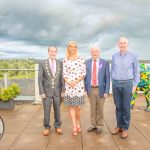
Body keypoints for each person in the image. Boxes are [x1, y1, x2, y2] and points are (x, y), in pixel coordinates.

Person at [111, 37, 140, 138]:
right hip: (116, 84)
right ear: (118, 44)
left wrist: (135, 85)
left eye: (124, 43)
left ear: (127, 44)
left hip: (128, 84)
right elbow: (112, 70)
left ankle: (125, 128)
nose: (122, 45)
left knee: (126, 107)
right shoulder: (114, 56)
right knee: (118, 107)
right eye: (120, 43)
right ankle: (119, 126)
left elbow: (136, 72)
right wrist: (113, 81)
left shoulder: (133, 56)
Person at [38, 46, 64, 136]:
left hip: (58, 91)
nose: (53, 53)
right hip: (46, 91)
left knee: (58, 109)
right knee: (46, 110)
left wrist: (63, 90)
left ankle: (58, 126)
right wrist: (41, 92)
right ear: (48, 52)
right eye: (51, 51)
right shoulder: (42, 63)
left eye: (54, 51)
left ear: (56, 53)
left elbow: (62, 78)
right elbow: (40, 79)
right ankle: (47, 127)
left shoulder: (60, 63)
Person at [85, 47, 110, 134]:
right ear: (90, 53)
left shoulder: (105, 62)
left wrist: (107, 91)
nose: (94, 53)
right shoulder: (87, 62)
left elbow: (107, 77)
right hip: (91, 88)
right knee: (92, 108)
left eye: (96, 51)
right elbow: (85, 77)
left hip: (101, 89)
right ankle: (93, 125)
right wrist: (85, 89)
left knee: (100, 108)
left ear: (99, 52)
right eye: (93, 51)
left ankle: (99, 126)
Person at [63, 41, 86, 136]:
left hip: (79, 86)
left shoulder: (81, 59)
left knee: (78, 107)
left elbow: (83, 72)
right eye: (71, 46)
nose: (72, 48)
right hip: (69, 86)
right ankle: (74, 126)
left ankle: (77, 122)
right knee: (71, 107)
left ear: (76, 48)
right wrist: (68, 82)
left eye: (74, 47)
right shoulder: (65, 60)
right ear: (68, 48)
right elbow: (64, 73)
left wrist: (75, 82)